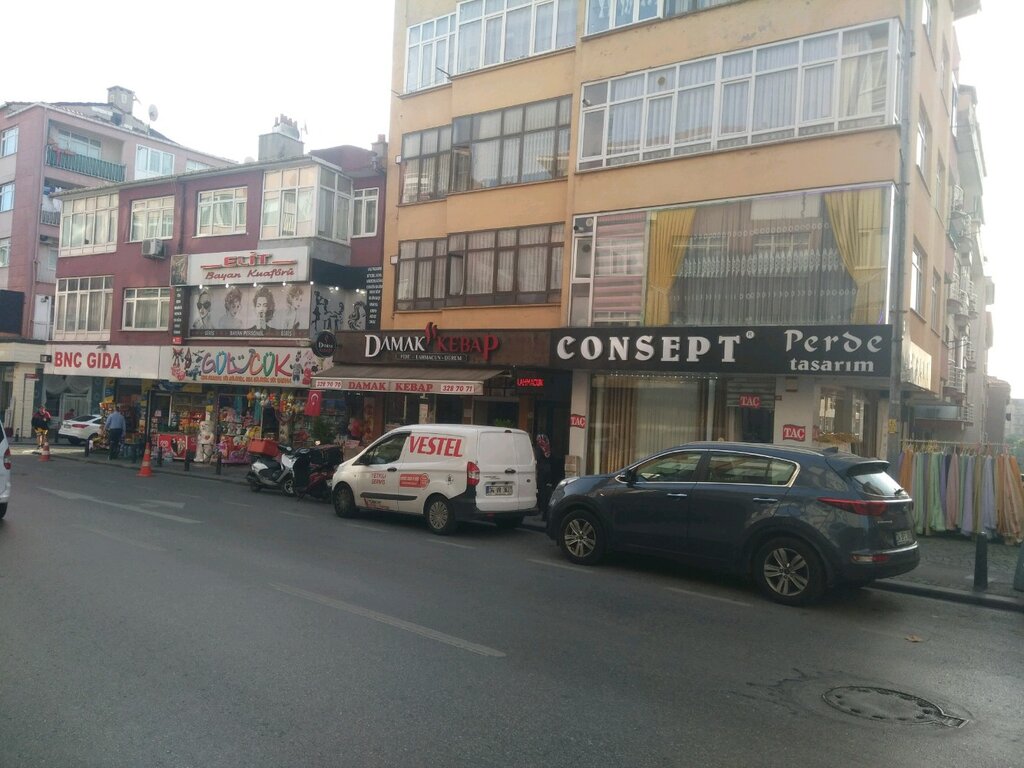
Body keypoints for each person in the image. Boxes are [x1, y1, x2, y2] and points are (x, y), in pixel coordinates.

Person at [534, 434, 552, 517]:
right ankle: (546, 510)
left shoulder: (539, 448)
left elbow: (537, 458)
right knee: (546, 491)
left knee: (541, 491)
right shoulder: (547, 447)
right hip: (548, 471)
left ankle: (541, 510)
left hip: (541, 471)